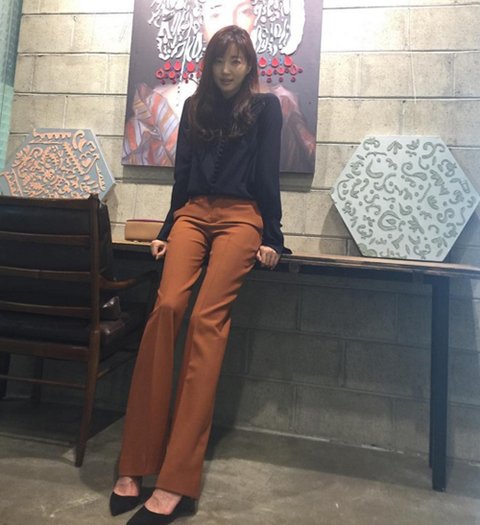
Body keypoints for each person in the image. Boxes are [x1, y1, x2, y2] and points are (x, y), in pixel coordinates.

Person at [110, 25, 287, 525]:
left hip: (241, 218)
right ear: (208, 65)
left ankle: (177, 481)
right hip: (192, 214)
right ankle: (135, 461)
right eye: (219, 61)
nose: (227, 70)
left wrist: (273, 238)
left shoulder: (266, 109)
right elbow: (182, 176)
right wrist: (167, 229)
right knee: (166, 308)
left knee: (207, 321)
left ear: (249, 66)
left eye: (237, 61)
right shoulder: (192, 108)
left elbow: (267, 175)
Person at [122, 0, 315, 173]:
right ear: (198, 21)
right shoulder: (168, 104)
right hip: (195, 202)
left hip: (243, 203)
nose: (231, 22)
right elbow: (182, 178)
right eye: (216, 12)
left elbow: (267, 179)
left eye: (244, 11)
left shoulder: (275, 105)